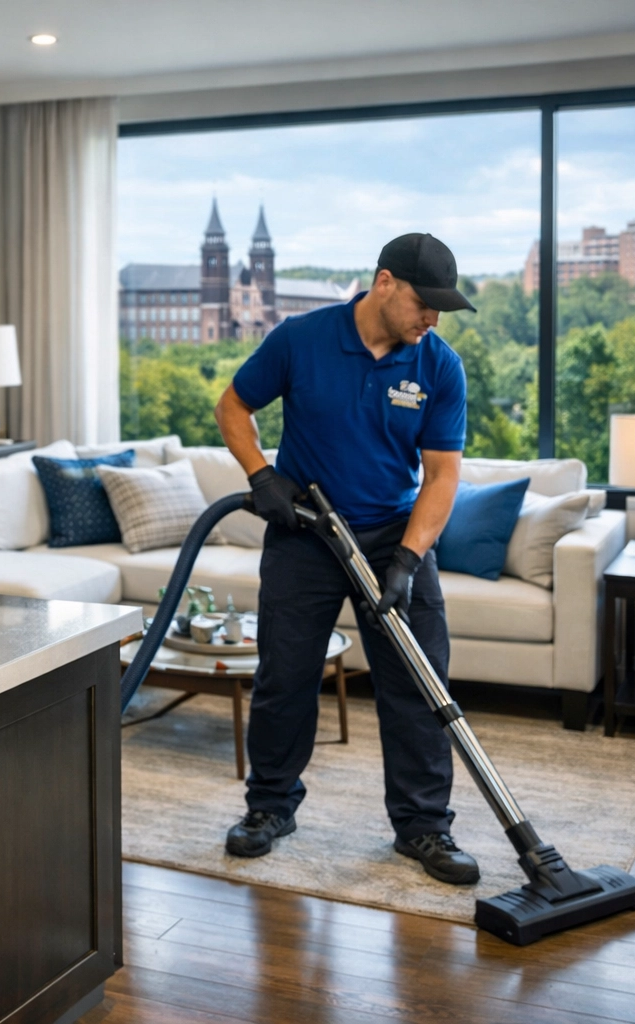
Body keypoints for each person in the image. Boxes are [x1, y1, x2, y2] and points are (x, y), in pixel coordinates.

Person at [213, 232, 480, 885]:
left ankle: (423, 826)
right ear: (384, 282)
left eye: (441, 308)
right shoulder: (301, 339)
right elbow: (233, 405)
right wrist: (260, 475)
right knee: (285, 676)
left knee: (418, 680)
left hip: (393, 535)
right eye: (424, 303)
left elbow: (442, 475)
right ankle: (269, 807)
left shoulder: (438, 366)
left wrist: (409, 559)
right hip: (305, 533)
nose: (432, 319)